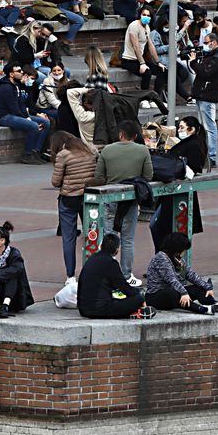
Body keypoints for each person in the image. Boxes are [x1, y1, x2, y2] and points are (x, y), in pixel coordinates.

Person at [94, 120, 153, 284]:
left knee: (108, 238)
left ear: (120, 134)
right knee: (128, 240)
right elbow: (148, 176)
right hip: (130, 200)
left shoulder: (107, 150)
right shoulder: (142, 150)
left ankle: (107, 274)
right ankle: (126, 275)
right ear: (135, 135)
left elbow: (99, 176)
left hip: (110, 197)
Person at [149, 116, 208, 250]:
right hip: (174, 192)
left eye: (182, 127)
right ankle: (165, 256)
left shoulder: (193, 145)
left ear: (191, 129)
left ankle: (164, 256)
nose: (179, 130)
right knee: (164, 227)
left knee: (161, 226)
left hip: (176, 193)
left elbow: (193, 166)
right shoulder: (192, 143)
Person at [144, 232, 218, 315]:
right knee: (174, 294)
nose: (184, 252)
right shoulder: (161, 258)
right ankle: (202, 309)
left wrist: (207, 287)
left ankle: (215, 304)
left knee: (198, 288)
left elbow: (190, 274)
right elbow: (172, 280)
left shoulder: (176, 258)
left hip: (175, 292)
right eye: (184, 249)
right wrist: (184, 293)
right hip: (156, 296)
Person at [50, 130, 98, 283]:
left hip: (69, 198)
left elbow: (55, 182)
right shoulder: (90, 149)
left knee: (69, 238)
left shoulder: (63, 155)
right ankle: (93, 271)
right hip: (89, 196)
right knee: (92, 234)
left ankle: (70, 276)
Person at [76, 234, 152, 319]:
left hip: (83, 309)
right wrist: (140, 297)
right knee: (138, 298)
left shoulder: (92, 258)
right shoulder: (111, 263)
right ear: (117, 249)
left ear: (101, 246)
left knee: (124, 298)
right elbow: (124, 288)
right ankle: (140, 310)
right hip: (99, 309)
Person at [0, 63, 52, 165]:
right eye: (18, 71)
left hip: (15, 114)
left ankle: (36, 151)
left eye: (21, 70)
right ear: (11, 74)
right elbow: (13, 108)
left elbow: (21, 105)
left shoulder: (16, 85)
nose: (22, 72)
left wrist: (28, 116)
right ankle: (27, 154)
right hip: (5, 116)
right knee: (33, 126)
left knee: (45, 123)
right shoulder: (6, 88)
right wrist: (27, 119)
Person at [189, 30, 218, 167]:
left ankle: (211, 156)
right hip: (202, 93)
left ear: (214, 42)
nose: (204, 45)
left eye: (206, 42)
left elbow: (206, 72)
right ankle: (205, 154)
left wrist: (193, 62)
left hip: (208, 94)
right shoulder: (212, 55)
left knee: (210, 126)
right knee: (203, 125)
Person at [122, 6, 166, 93]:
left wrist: (158, 62)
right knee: (147, 73)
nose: (146, 17)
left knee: (162, 70)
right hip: (129, 60)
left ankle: (156, 96)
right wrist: (142, 63)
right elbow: (136, 46)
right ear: (140, 15)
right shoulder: (134, 25)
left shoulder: (147, 27)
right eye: (144, 14)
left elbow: (151, 46)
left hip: (139, 60)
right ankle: (143, 97)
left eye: (148, 15)